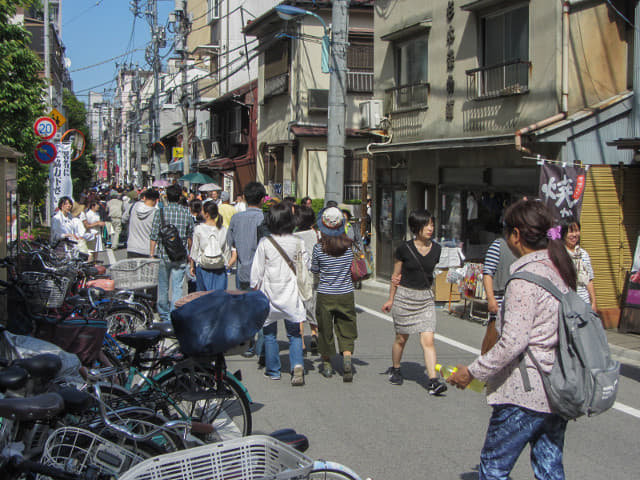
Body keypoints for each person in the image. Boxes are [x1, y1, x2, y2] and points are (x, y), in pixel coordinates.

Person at [447, 199, 576, 480]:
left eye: (507, 232)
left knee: (493, 468)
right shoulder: (561, 270)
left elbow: (512, 342)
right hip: (557, 387)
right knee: (549, 468)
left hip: (525, 391)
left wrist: (472, 372)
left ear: (516, 235)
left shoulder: (524, 280)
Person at [381, 209, 447, 395]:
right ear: (416, 227)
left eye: (432, 224)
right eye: (426, 225)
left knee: (428, 340)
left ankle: (433, 380)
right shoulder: (404, 248)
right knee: (401, 338)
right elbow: (396, 276)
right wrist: (391, 299)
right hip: (405, 297)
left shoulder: (437, 249)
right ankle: (395, 368)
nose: (430, 228)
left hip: (425, 298)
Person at [251, 202, 310, 386]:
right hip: (291, 292)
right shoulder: (298, 242)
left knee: (269, 334)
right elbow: (305, 266)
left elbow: (257, 273)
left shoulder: (265, 243)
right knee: (294, 333)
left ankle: (273, 370)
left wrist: (254, 289)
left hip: (269, 292)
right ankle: (297, 365)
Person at [311, 207, 358, 382]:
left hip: (325, 293)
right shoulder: (348, 247)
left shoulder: (319, 248)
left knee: (325, 329)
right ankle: (347, 359)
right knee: (346, 326)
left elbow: (315, 269)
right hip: (346, 292)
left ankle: (327, 365)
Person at [228, 182, 267, 360]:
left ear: (244, 198)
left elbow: (230, 242)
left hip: (243, 269)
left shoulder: (236, 219)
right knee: (263, 310)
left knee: (244, 309)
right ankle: (262, 345)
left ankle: (247, 342)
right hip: (262, 273)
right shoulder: (265, 218)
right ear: (262, 199)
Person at [149, 184, 194, 322]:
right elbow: (190, 235)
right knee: (177, 285)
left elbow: (154, 235)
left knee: (162, 285)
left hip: (163, 254)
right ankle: (175, 311)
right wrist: (189, 254)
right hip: (180, 254)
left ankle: (164, 314)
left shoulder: (160, 212)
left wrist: (152, 253)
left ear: (166, 197)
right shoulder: (186, 212)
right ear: (180, 197)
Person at [480, 236, 517, 354]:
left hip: (519, 301)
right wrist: (490, 298)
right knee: (492, 341)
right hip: (500, 299)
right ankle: (483, 370)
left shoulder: (526, 246)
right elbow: (487, 273)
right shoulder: (499, 245)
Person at [294, 205, 320, 355]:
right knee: (313, 306)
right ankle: (315, 334)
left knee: (299, 309)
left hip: (299, 276)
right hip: (314, 275)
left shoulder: (293, 237)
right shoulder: (317, 234)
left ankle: (302, 342)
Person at [189, 202, 230, 291]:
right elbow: (226, 250)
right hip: (219, 266)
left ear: (207, 214)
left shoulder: (199, 228)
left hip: (203, 266)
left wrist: (192, 266)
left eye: (202, 210)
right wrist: (227, 264)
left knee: (203, 296)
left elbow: (194, 249)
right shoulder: (223, 229)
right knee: (219, 296)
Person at [561, 217, 596, 309]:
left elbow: (589, 280)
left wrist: (593, 302)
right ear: (564, 234)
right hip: (567, 303)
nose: (574, 235)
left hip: (584, 302)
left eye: (576, 231)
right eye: (570, 232)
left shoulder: (583, 254)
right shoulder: (560, 254)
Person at [124, 189, 159, 258]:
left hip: (132, 248)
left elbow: (124, 219)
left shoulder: (133, 206)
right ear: (157, 200)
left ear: (144, 197)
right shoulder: (157, 213)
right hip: (150, 250)